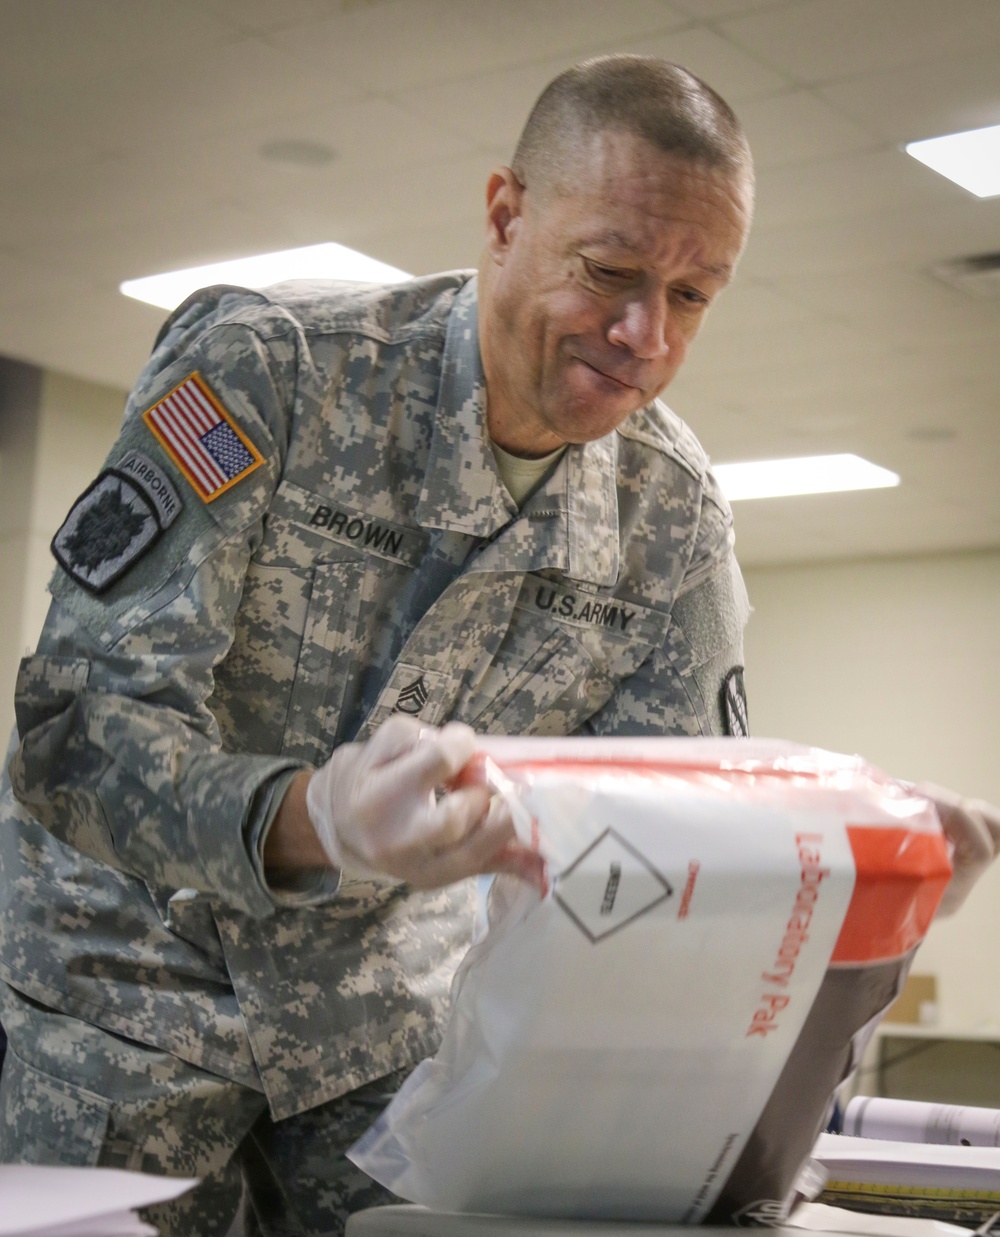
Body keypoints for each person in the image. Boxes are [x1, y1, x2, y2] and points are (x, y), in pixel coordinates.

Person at [0, 54, 996, 1237]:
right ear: (505, 216)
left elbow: (678, 830)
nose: (644, 335)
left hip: (371, 1036)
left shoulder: (667, 512)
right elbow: (77, 732)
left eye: (693, 296)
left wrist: (846, 851)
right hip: (121, 1005)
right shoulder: (273, 367)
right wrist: (314, 814)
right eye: (611, 272)